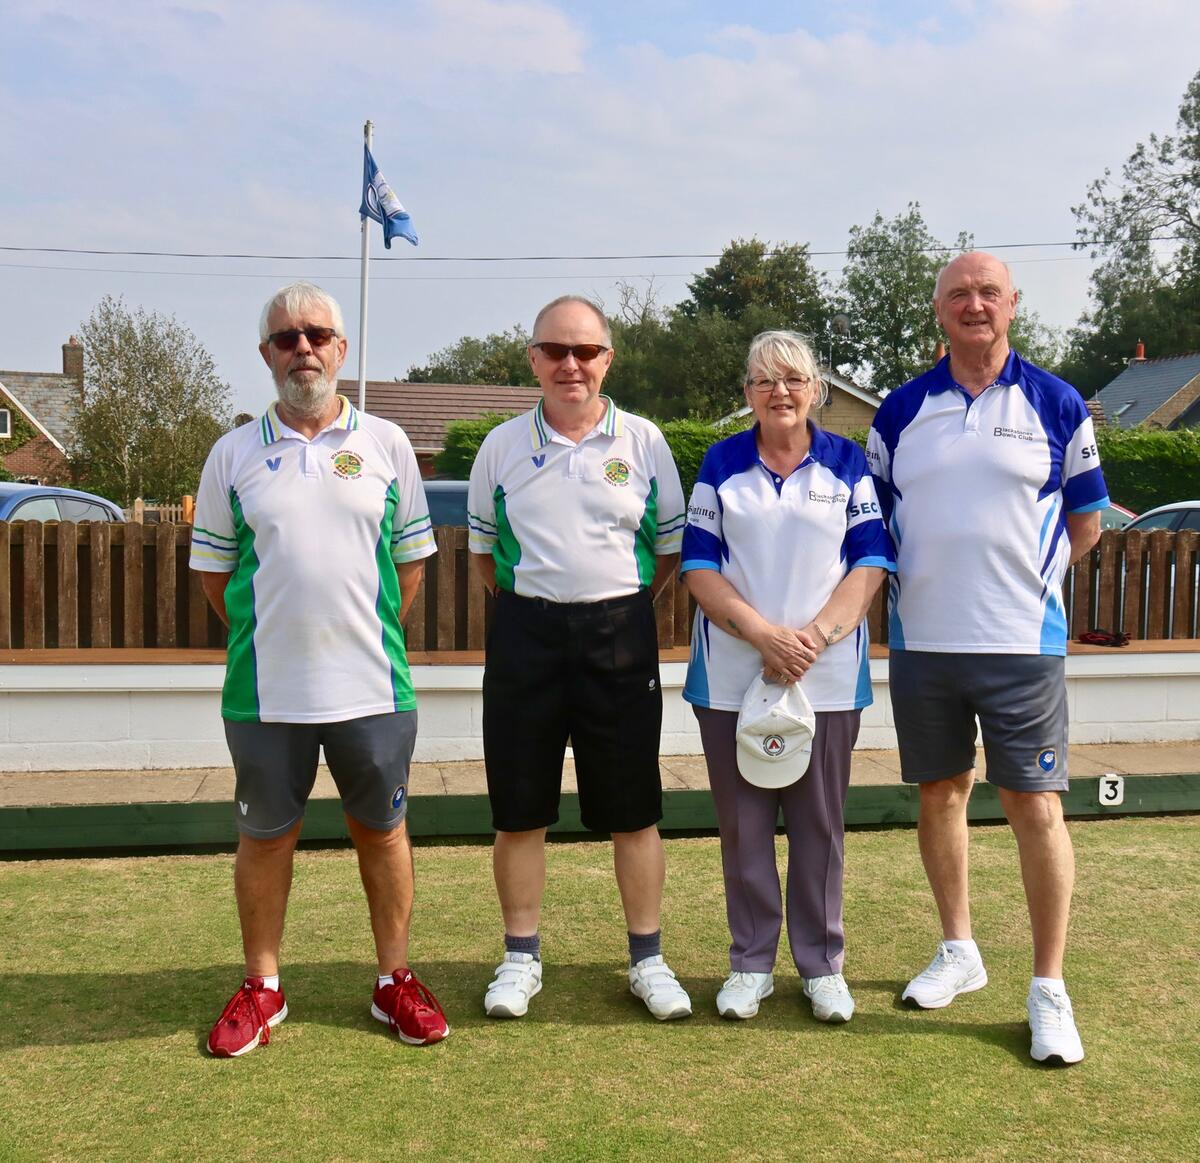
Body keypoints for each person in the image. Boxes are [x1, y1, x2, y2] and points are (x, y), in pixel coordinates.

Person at [190, 281, 449, 1056]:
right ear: (267, 355)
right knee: (266, 838)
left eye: (317, 334)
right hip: (265, 694)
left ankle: (393, 979)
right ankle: (263, 988)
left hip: (374, 687)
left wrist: (352, 635)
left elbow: (408, 569)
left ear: (340, 348)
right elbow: (216, 578)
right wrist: (281, 637)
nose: (303, 347)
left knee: (384, 831)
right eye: (286, 337)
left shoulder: (387, 443)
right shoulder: (232, 453)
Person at [867, 252, 1107, 1065]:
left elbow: (1087, 523)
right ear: (938, 310)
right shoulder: (899, 411)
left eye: (988, 292)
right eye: (958, 293)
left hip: (1020, 645)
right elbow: (872, 529)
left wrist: (1029, 591)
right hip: (924, 642)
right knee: (940, 795)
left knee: (1034, 806)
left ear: (1012, 305)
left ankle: (1048, 988)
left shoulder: (1058, 401)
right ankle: (960, 950)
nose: (974, 304)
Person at [467, 295, 691, 1021]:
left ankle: (647, 958)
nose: (571, 364)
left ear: (607, 359)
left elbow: (667, 550)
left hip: (619, 635)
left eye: (585, 351)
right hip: (525, 635)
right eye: (555, 350)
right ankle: (520, 958)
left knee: (634, 811)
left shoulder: (646, 442)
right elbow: (482, 556)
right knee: (520, 809)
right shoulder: (500, 446)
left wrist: (611, 607)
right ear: (532, 358)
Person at [680, 330, 895, 1022]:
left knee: (820, 825)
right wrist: (764, 635)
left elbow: (869, 564)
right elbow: (699, 569)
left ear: (816, 391)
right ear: (747, 393)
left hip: (827, 677)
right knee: (743, 826)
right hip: (731, 675)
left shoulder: (848, 463)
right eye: (765, 380)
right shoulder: (720, 463)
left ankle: (822, 963)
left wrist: (813, 638)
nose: (780, 391)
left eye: (795, 379)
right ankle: (750, 963)